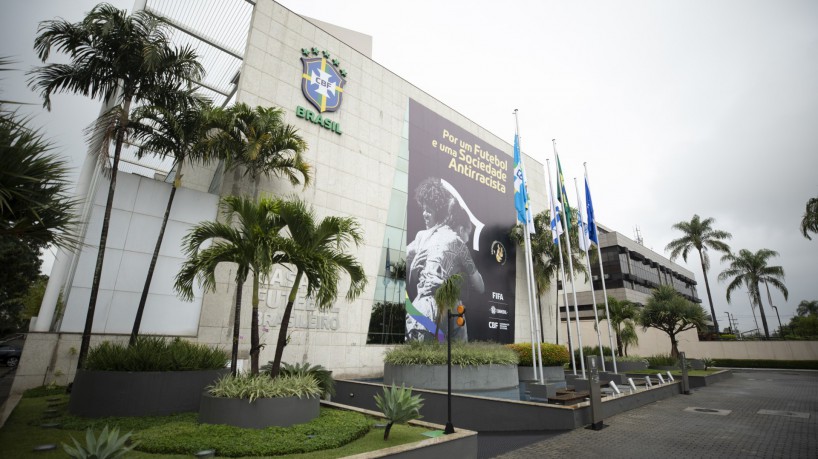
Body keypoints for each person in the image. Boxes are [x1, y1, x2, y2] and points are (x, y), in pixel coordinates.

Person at [405, 178, 483, 342]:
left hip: (432, 310)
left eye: (428, 210)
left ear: (439, 212)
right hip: (436, 309)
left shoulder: (424, 237)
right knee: (451, 359)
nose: (424, 214)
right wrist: (412, 269)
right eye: (424, 209)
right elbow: (480, 286)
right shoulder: (454, 243)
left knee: (433, 359)